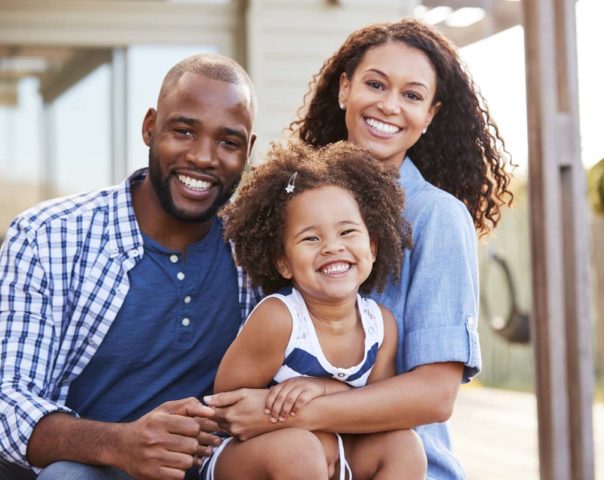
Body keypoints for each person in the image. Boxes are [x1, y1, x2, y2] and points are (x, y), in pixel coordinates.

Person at [206, 18, 513, 479]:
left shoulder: (436, 217)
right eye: (375, 84)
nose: (389, 106)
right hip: (291, 459)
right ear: (345, 88)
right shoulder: (294, 201)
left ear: (430, 114)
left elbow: (435, 395)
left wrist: (289, 409)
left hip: (398, 463)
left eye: (412, 95)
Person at [0, 53, 258, 480]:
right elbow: (6, 398)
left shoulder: (257, 252)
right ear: (149, 127)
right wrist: (120, 444)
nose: (203, 157)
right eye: (184, 131)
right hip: (90, 468)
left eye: (228, 142)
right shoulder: (48, 236)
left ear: (248, 150)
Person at [201, 141, 425, 480]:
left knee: (404, 445)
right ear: (283, 262)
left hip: (335, 454)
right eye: (311, 239)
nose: (333, 247)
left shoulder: (381, 327)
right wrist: (303, 424)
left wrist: (323, 390)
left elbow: (377, 411)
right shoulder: (280, 319)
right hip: (248, 459)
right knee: (301, 450)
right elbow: (228, 407)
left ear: (373, 246)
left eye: (347, 232)